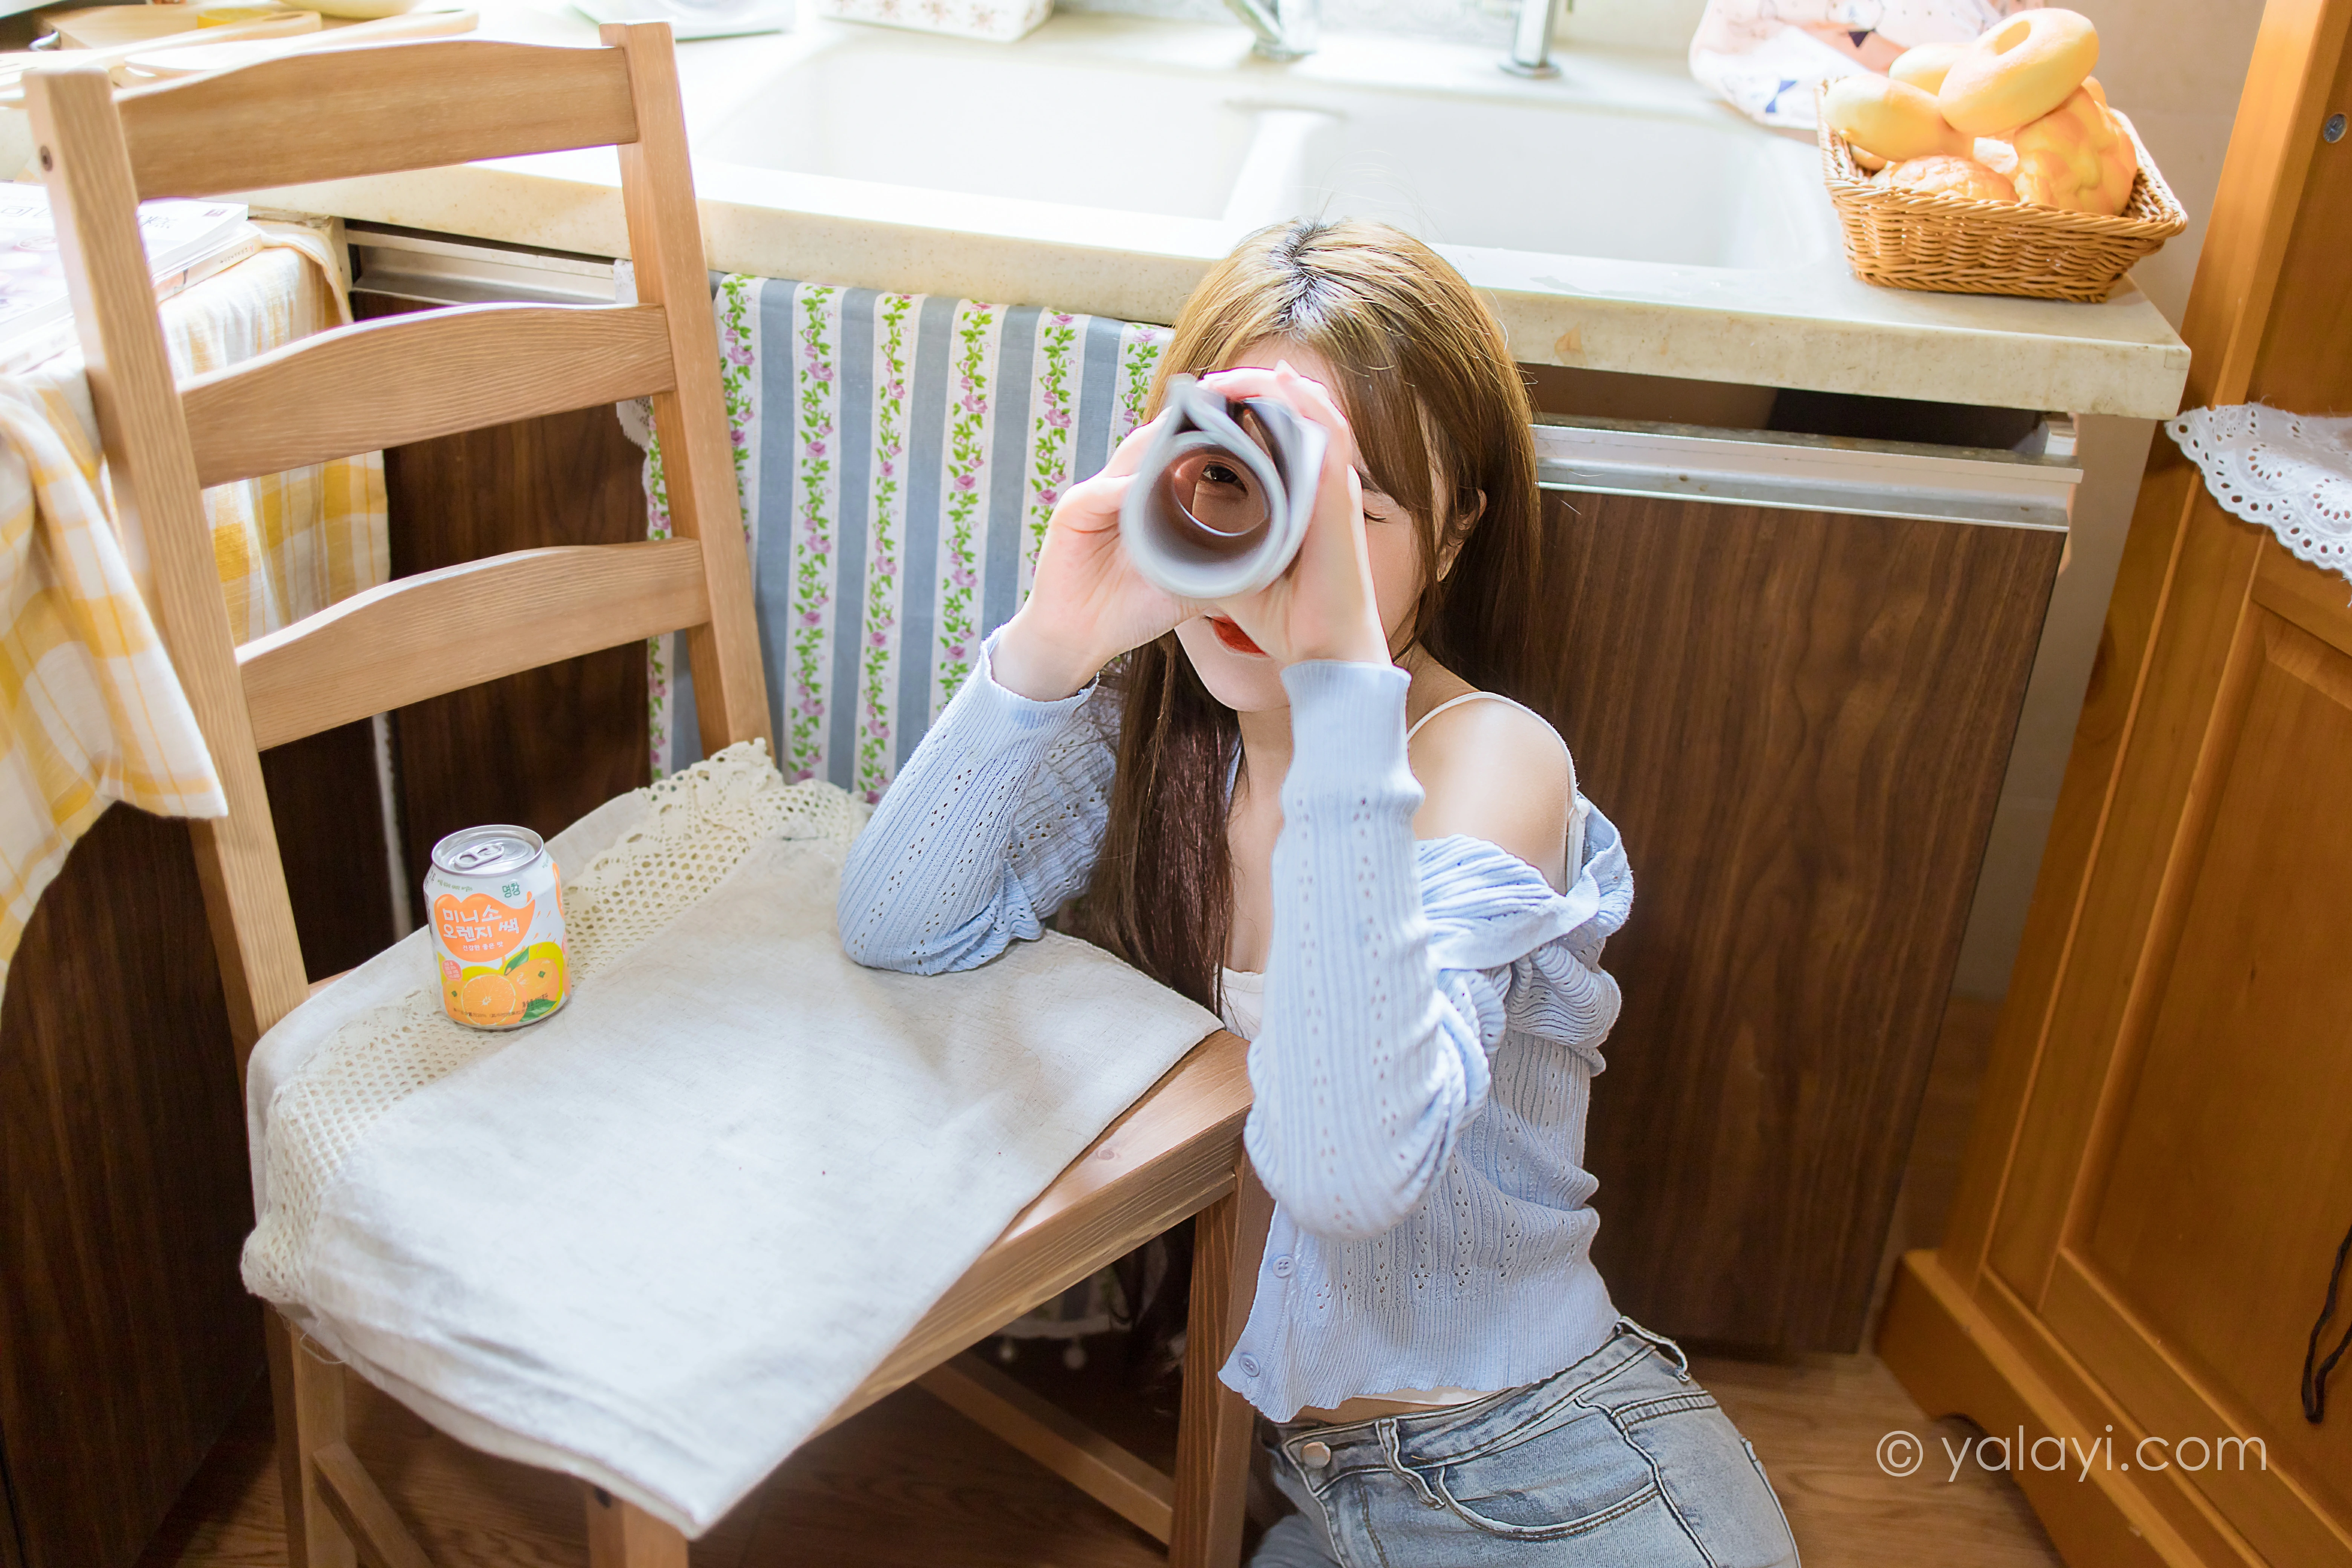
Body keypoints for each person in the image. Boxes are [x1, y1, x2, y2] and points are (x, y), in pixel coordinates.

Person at [838, 219, 1800, 1565]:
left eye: (1343, 520)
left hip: (1552, 1477)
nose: (1274, 567)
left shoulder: (1488, 765)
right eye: (1235, 488)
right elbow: (899, 922)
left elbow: (1349, 1173)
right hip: (1317, 1499)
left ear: (1455, 536)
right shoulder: (1163, 749)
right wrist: (1052, 642)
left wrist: (1343, 689)